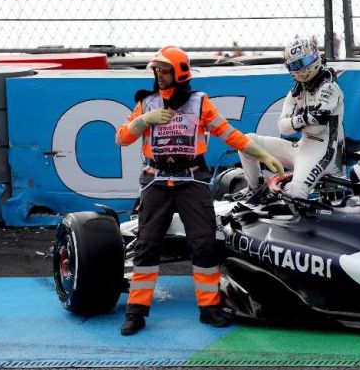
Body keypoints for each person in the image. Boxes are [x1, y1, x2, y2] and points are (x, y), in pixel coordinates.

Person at [115, 46, 284, 336]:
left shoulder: (200, 103)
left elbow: (229, 134)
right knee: (146, 246)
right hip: (156, 181)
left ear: (180, 73)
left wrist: (262, 155)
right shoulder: (147, 103)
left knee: (204, 244)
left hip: (192, 180)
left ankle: (209, 308)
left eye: (164, 70)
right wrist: (144, 120)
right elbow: (122, 138)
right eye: (156, 70)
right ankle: (136, 312)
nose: (158, 75)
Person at [239, 38, 344, 200]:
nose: (301, 69)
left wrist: (295, 122)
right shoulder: (295, 92)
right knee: (246, 142)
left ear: (315, 57)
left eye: (304, 61)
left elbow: (318, 128)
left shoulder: (329, 88)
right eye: (295, 65)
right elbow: (283, 128)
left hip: (323, 153)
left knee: (294, 193)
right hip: (300, 147)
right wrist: (307, 119)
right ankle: (255, 188)